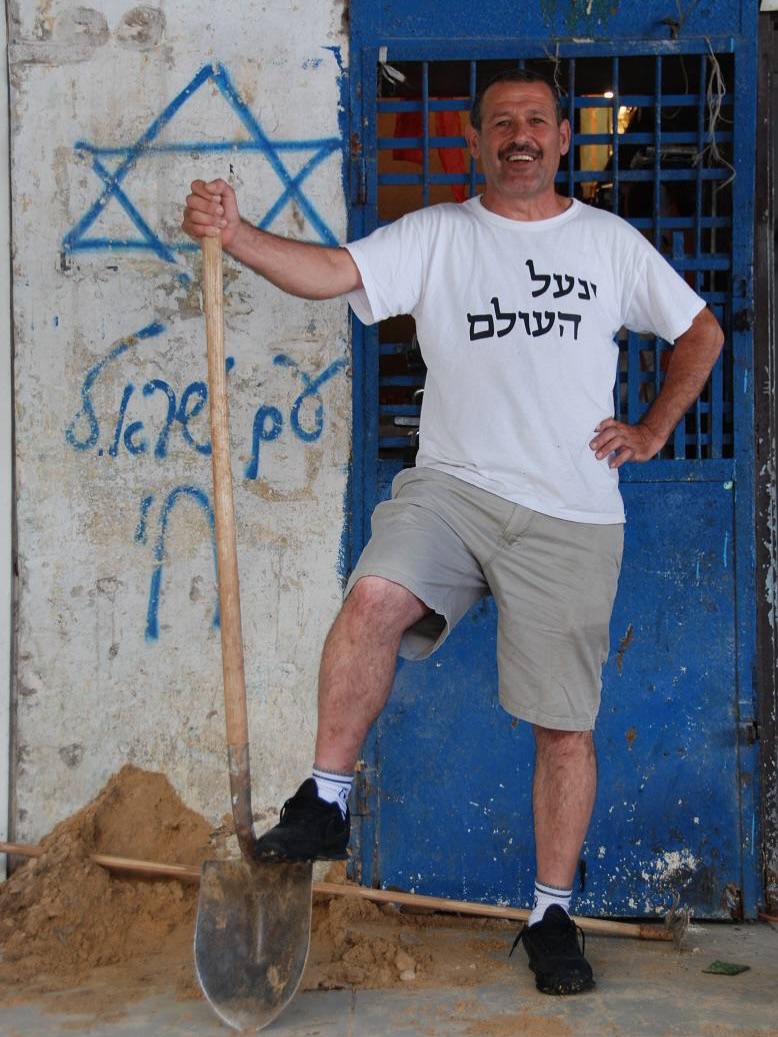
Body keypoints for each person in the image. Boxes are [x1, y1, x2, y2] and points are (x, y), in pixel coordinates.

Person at [182, 69, 724, 996]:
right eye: (501, 121)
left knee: (564, 728)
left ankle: (550, 914)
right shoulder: (438, 234)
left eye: (536, 120)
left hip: (570, 512)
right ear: (474, 140)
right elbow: (330, 273)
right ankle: (326, 800)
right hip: (452, 490)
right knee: (373, 596)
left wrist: (653, 428)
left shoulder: (607, 243)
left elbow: (700, 332)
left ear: (563, 138)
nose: (520, 134)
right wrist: (235, 235)